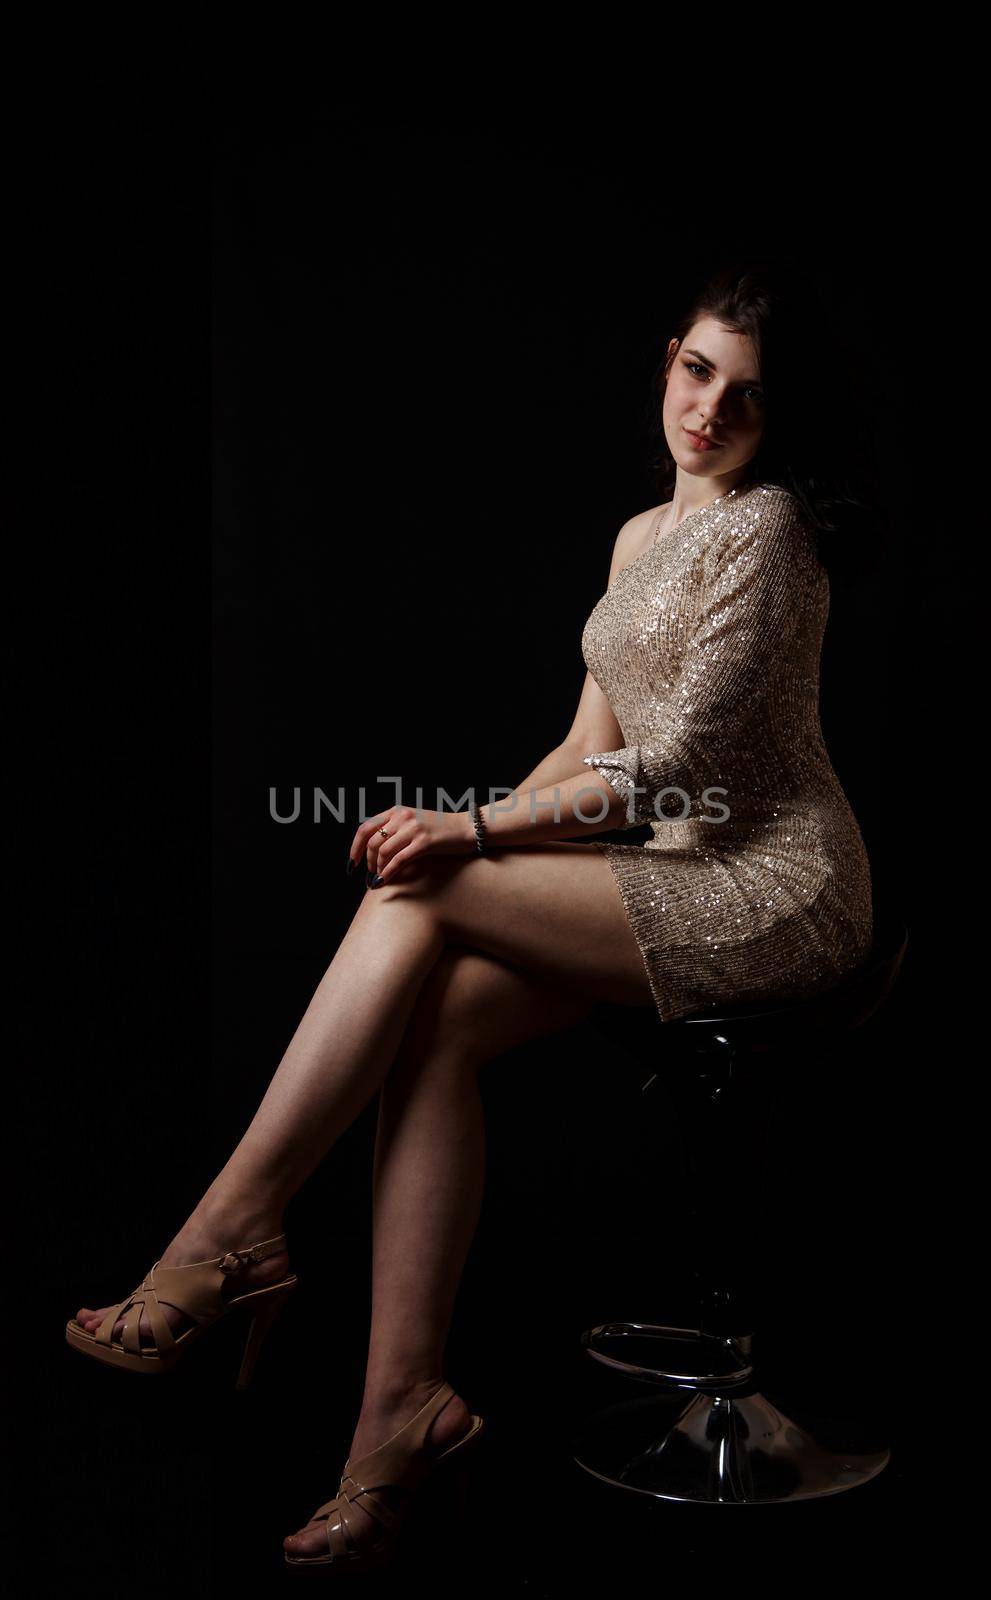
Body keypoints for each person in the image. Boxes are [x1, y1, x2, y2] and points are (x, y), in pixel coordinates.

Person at [65, 261, 875, 1571]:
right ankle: (399, 1422)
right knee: (432, 1005)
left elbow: (679, 779)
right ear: (668, 358)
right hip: (668, 876)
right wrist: (474, 830)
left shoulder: (767, 534)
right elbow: (583, 751)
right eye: (697, 371)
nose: (713, 409)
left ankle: (229, 1234)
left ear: (781, 420)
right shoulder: (635, 541)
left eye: (749, 394)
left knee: (427, 888)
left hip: (777, 886)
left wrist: (472, 841)